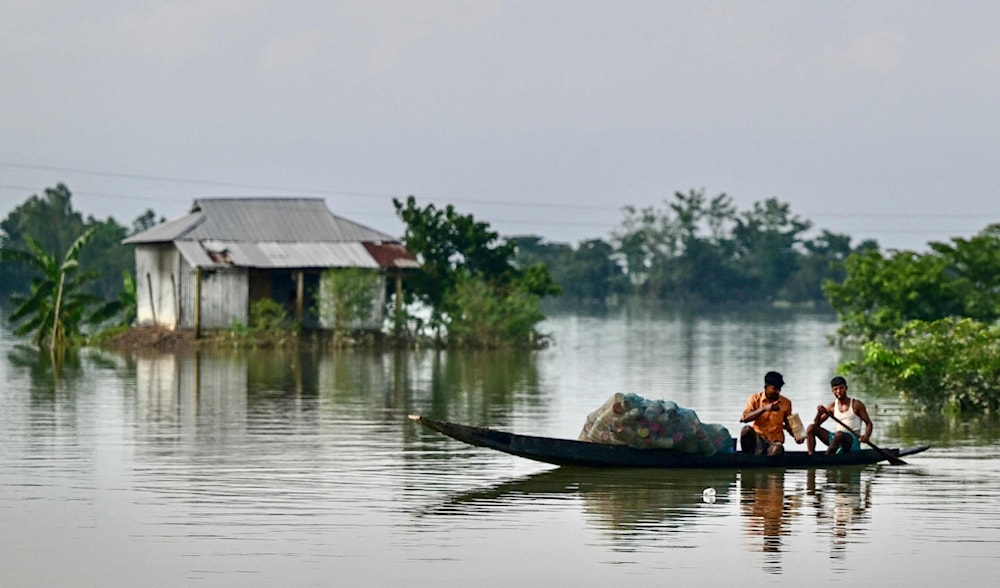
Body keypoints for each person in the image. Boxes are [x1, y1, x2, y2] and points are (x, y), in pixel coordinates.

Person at [806, 376, 873, 455]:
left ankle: (826, 457)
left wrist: (866, 436)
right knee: (811, 428)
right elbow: (817, 424)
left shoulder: (856, 405)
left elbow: (869, 423)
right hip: (836, 439)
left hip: (852, 441)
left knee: (839, 435)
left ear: (846, 388)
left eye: (841, 388)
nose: (839, 391)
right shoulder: (832, 406)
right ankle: (811, 456)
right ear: (832, 391)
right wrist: (819, 413)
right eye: (835, 389)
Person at [740, 371, 800, 456]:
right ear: (766, 387)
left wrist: (797, 436)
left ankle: (767, 463)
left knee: (777, 449)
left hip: (774, 443)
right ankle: (748, 459)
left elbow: (789, 424)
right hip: (758, 440)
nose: (778, 392)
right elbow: (744, 418)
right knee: (746, 430)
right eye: (774, 389)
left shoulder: (786, 403)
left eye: (779, 389)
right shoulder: (754, 398)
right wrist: (764, 408)